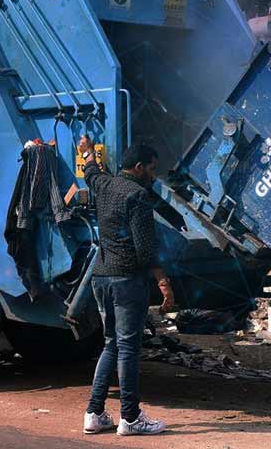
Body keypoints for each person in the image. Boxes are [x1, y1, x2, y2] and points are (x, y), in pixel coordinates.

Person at [78, 135, 175, 436]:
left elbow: (90, 171)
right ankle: (130, 418)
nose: (154, 174)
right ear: (138, 167)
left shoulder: (104, 185)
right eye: (151, 168)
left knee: (111, 344)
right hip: (125, 281)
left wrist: (87, 152)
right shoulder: (138, 196)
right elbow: (145, 250)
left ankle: (94, 413)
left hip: (100, 278)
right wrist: (163, 281)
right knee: (129, 348)